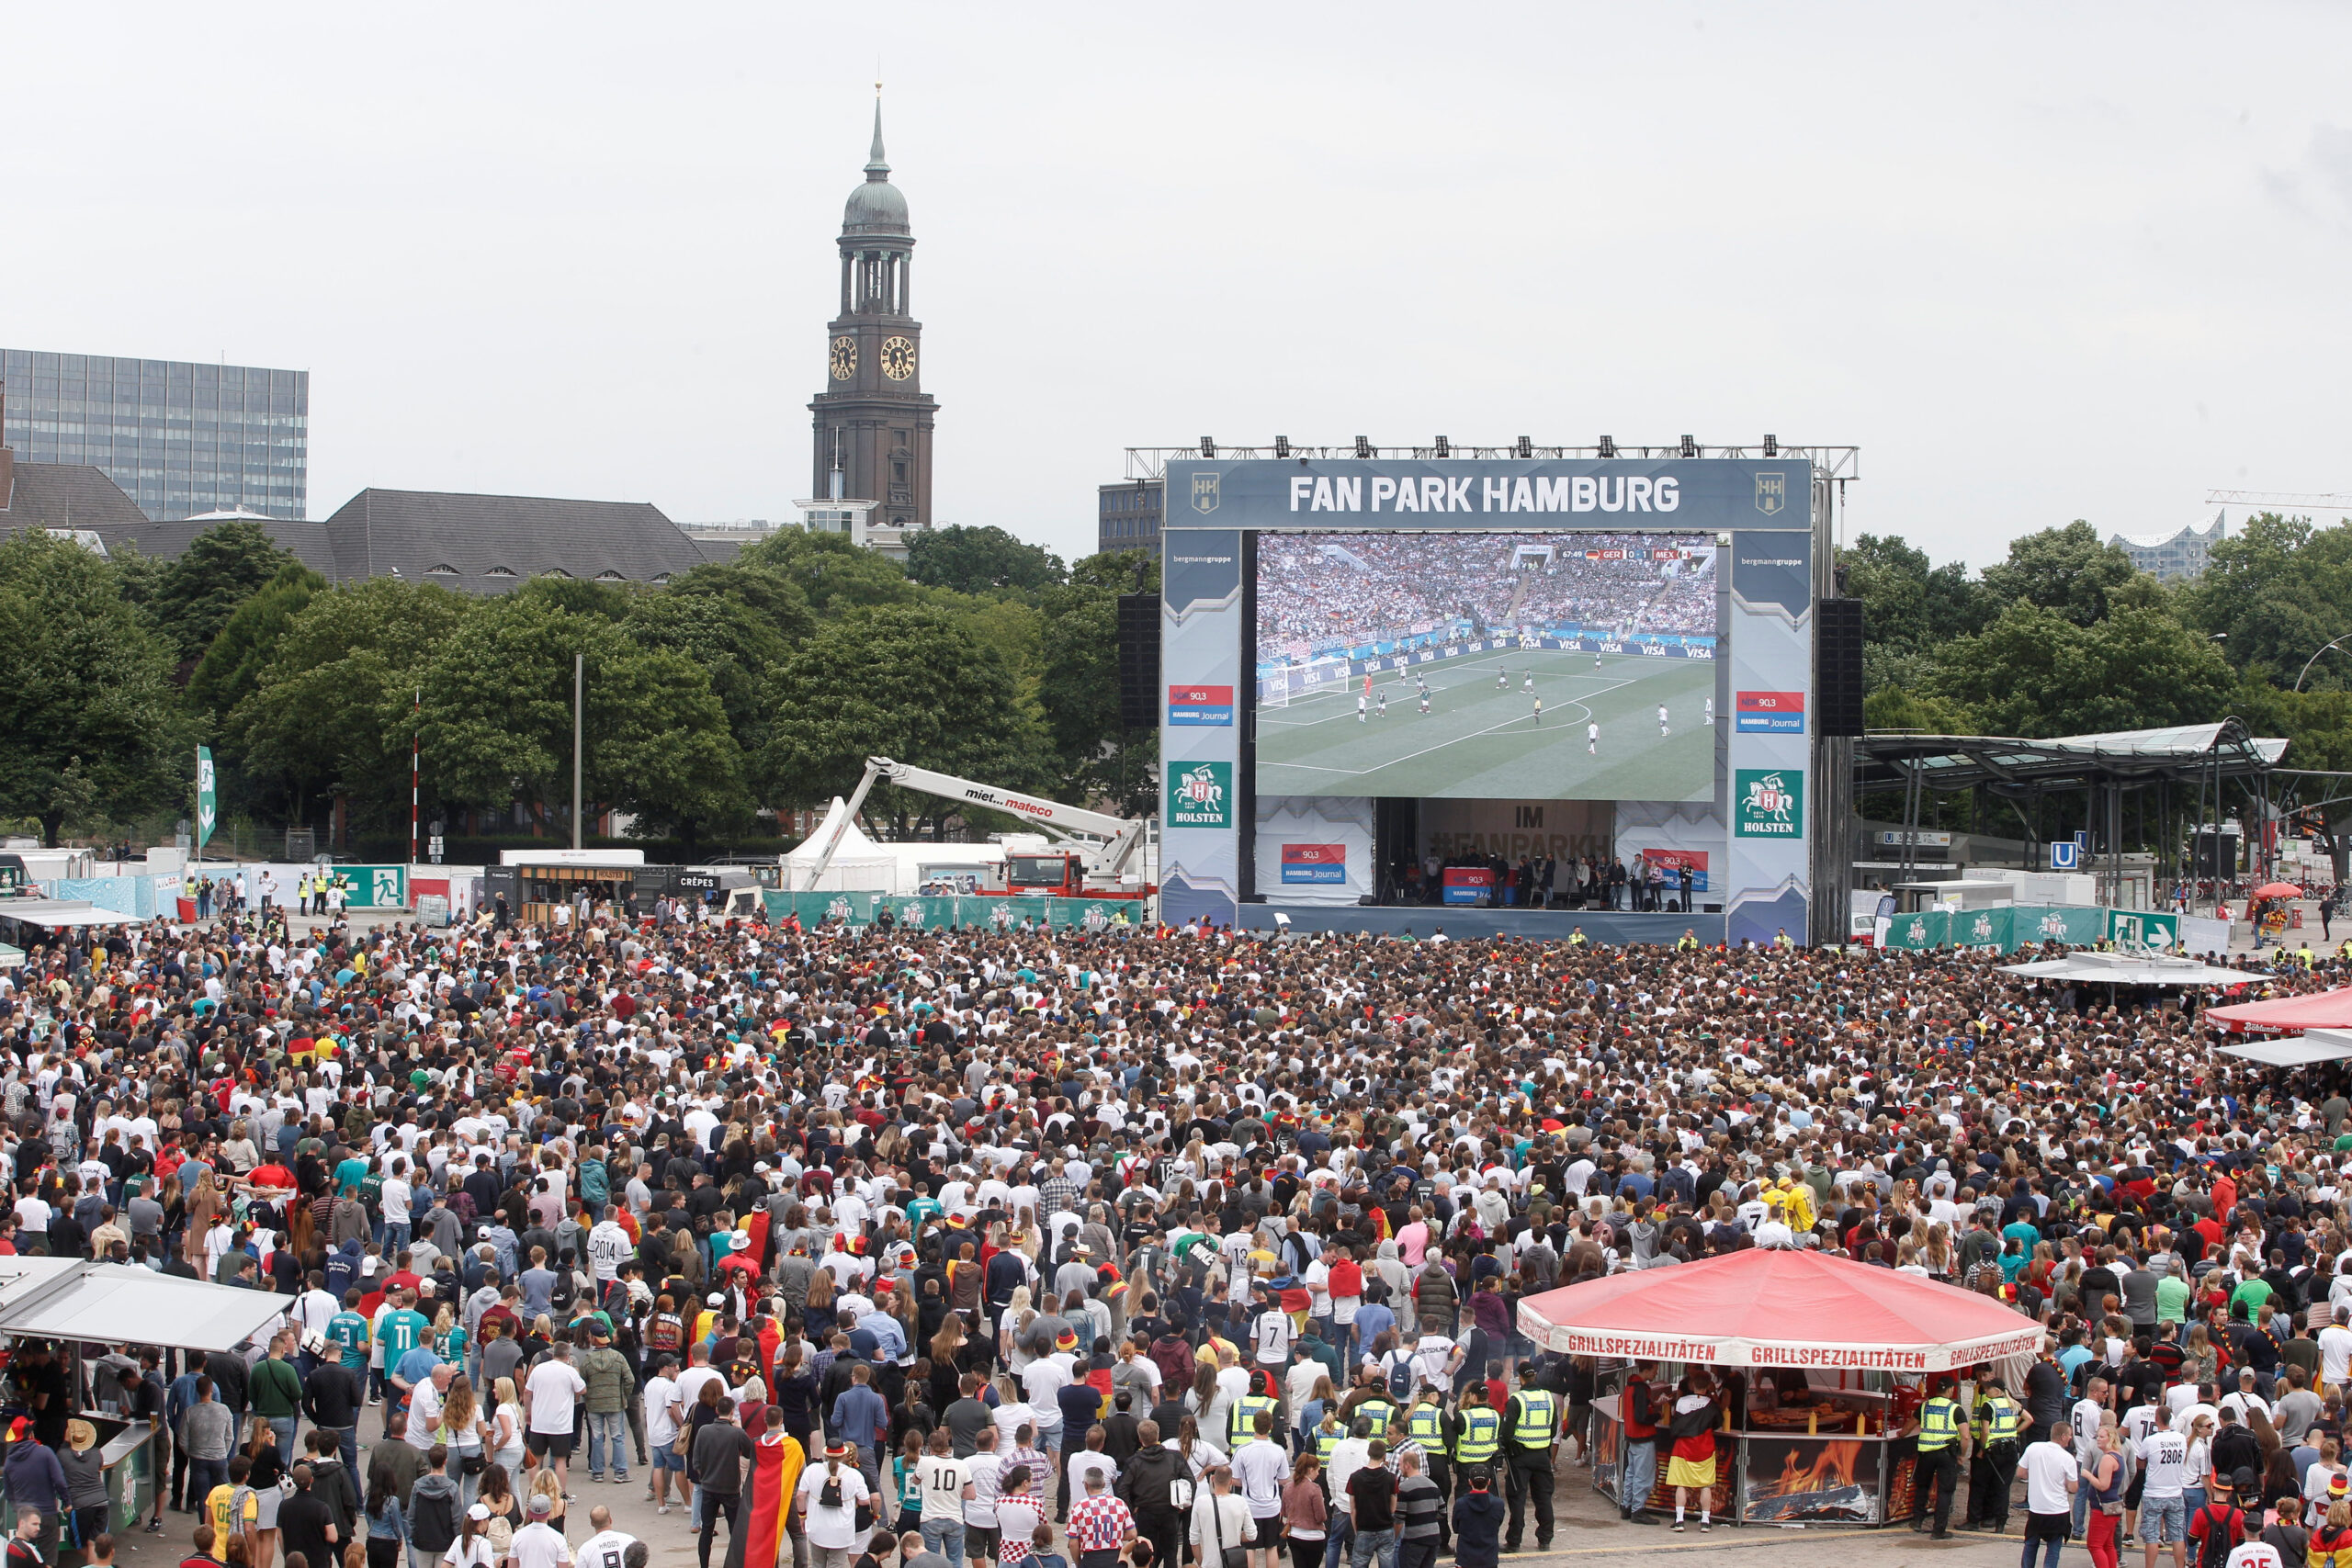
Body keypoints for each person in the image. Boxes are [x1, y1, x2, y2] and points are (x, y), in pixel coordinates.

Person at [1909, 1373, 1965, 1540]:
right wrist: (1961, 1456)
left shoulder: (1924, 1406)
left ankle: (1917, 1521)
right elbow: (1966, 1436)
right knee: (1944, 1491)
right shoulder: (1956, 1409)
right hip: (1946, 1454)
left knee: (1922, 1487)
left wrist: (1901, 1432)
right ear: (1949, 1390)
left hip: (1926, 1454)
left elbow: (1908, 1426)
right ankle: (1938, 1530)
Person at [2018, 1420, 2081, 1568]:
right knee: (2053, 1550)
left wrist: (2035, 1476)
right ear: (2064, 1436)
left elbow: (2021, 1473)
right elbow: (2073, 1488)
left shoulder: (2033, 1448)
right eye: (2070, 1435)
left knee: (2030, 1544)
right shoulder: (2068, 1459)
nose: (2071, 1438)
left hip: (2037, 1509)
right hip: (2058, 1511)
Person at [799, 1442, 873, 1568]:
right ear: (844, 1455)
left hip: (817, 1527)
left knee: (817, 1564)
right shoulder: (854, 1475)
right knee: (837, 1565)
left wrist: (802, 1516)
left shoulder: (812, 1470)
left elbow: (800, 1496)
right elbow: (865, 1500)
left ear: (825, 1454)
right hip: (842, 1530)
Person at [1448, 1469, 1503, 1568]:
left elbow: (1456, 1528)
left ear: (1470, 1482)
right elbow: (1498, 1523)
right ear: (1489, 1482)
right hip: (1489, 1558)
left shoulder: (1461, 1504)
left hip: (1466, 1558)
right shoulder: (1498, 1504)